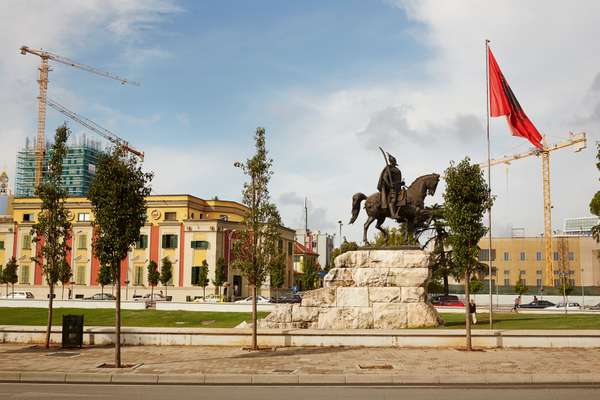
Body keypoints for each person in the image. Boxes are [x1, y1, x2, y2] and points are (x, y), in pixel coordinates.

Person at [377, 153, 405, 218]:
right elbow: (385, 177)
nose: (394, 162)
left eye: (394, 160)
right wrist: (389, 185)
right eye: (393, 161)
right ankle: (393, 214)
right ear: (391, 161)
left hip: (398, 187)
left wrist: (401, 183)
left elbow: (398, 180)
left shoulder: (397, 170)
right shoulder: (388, 168)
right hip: (392, 188)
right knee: (393, 200)